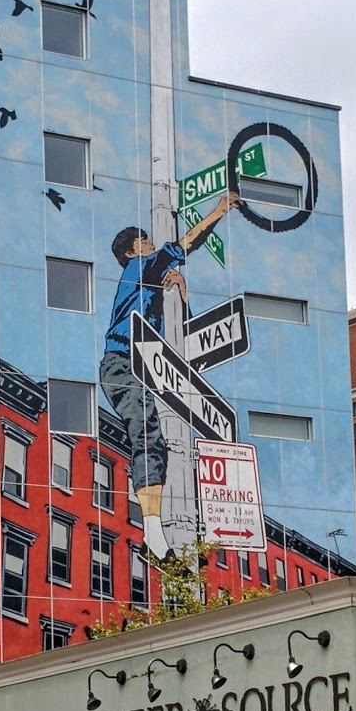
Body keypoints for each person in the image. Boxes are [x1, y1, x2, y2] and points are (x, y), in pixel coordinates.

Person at [100, 190, 239, 561]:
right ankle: (154, 537)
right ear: (132, 251)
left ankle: (152, 527)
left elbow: (182, 340)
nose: (150, 244)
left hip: (144, 365)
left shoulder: (150, 288)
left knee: (155, 442)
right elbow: (185, 244)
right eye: (144, 241)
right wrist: (218, 212)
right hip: (122, 362)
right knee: (147, 434)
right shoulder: (137, 269)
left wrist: (181, 288)